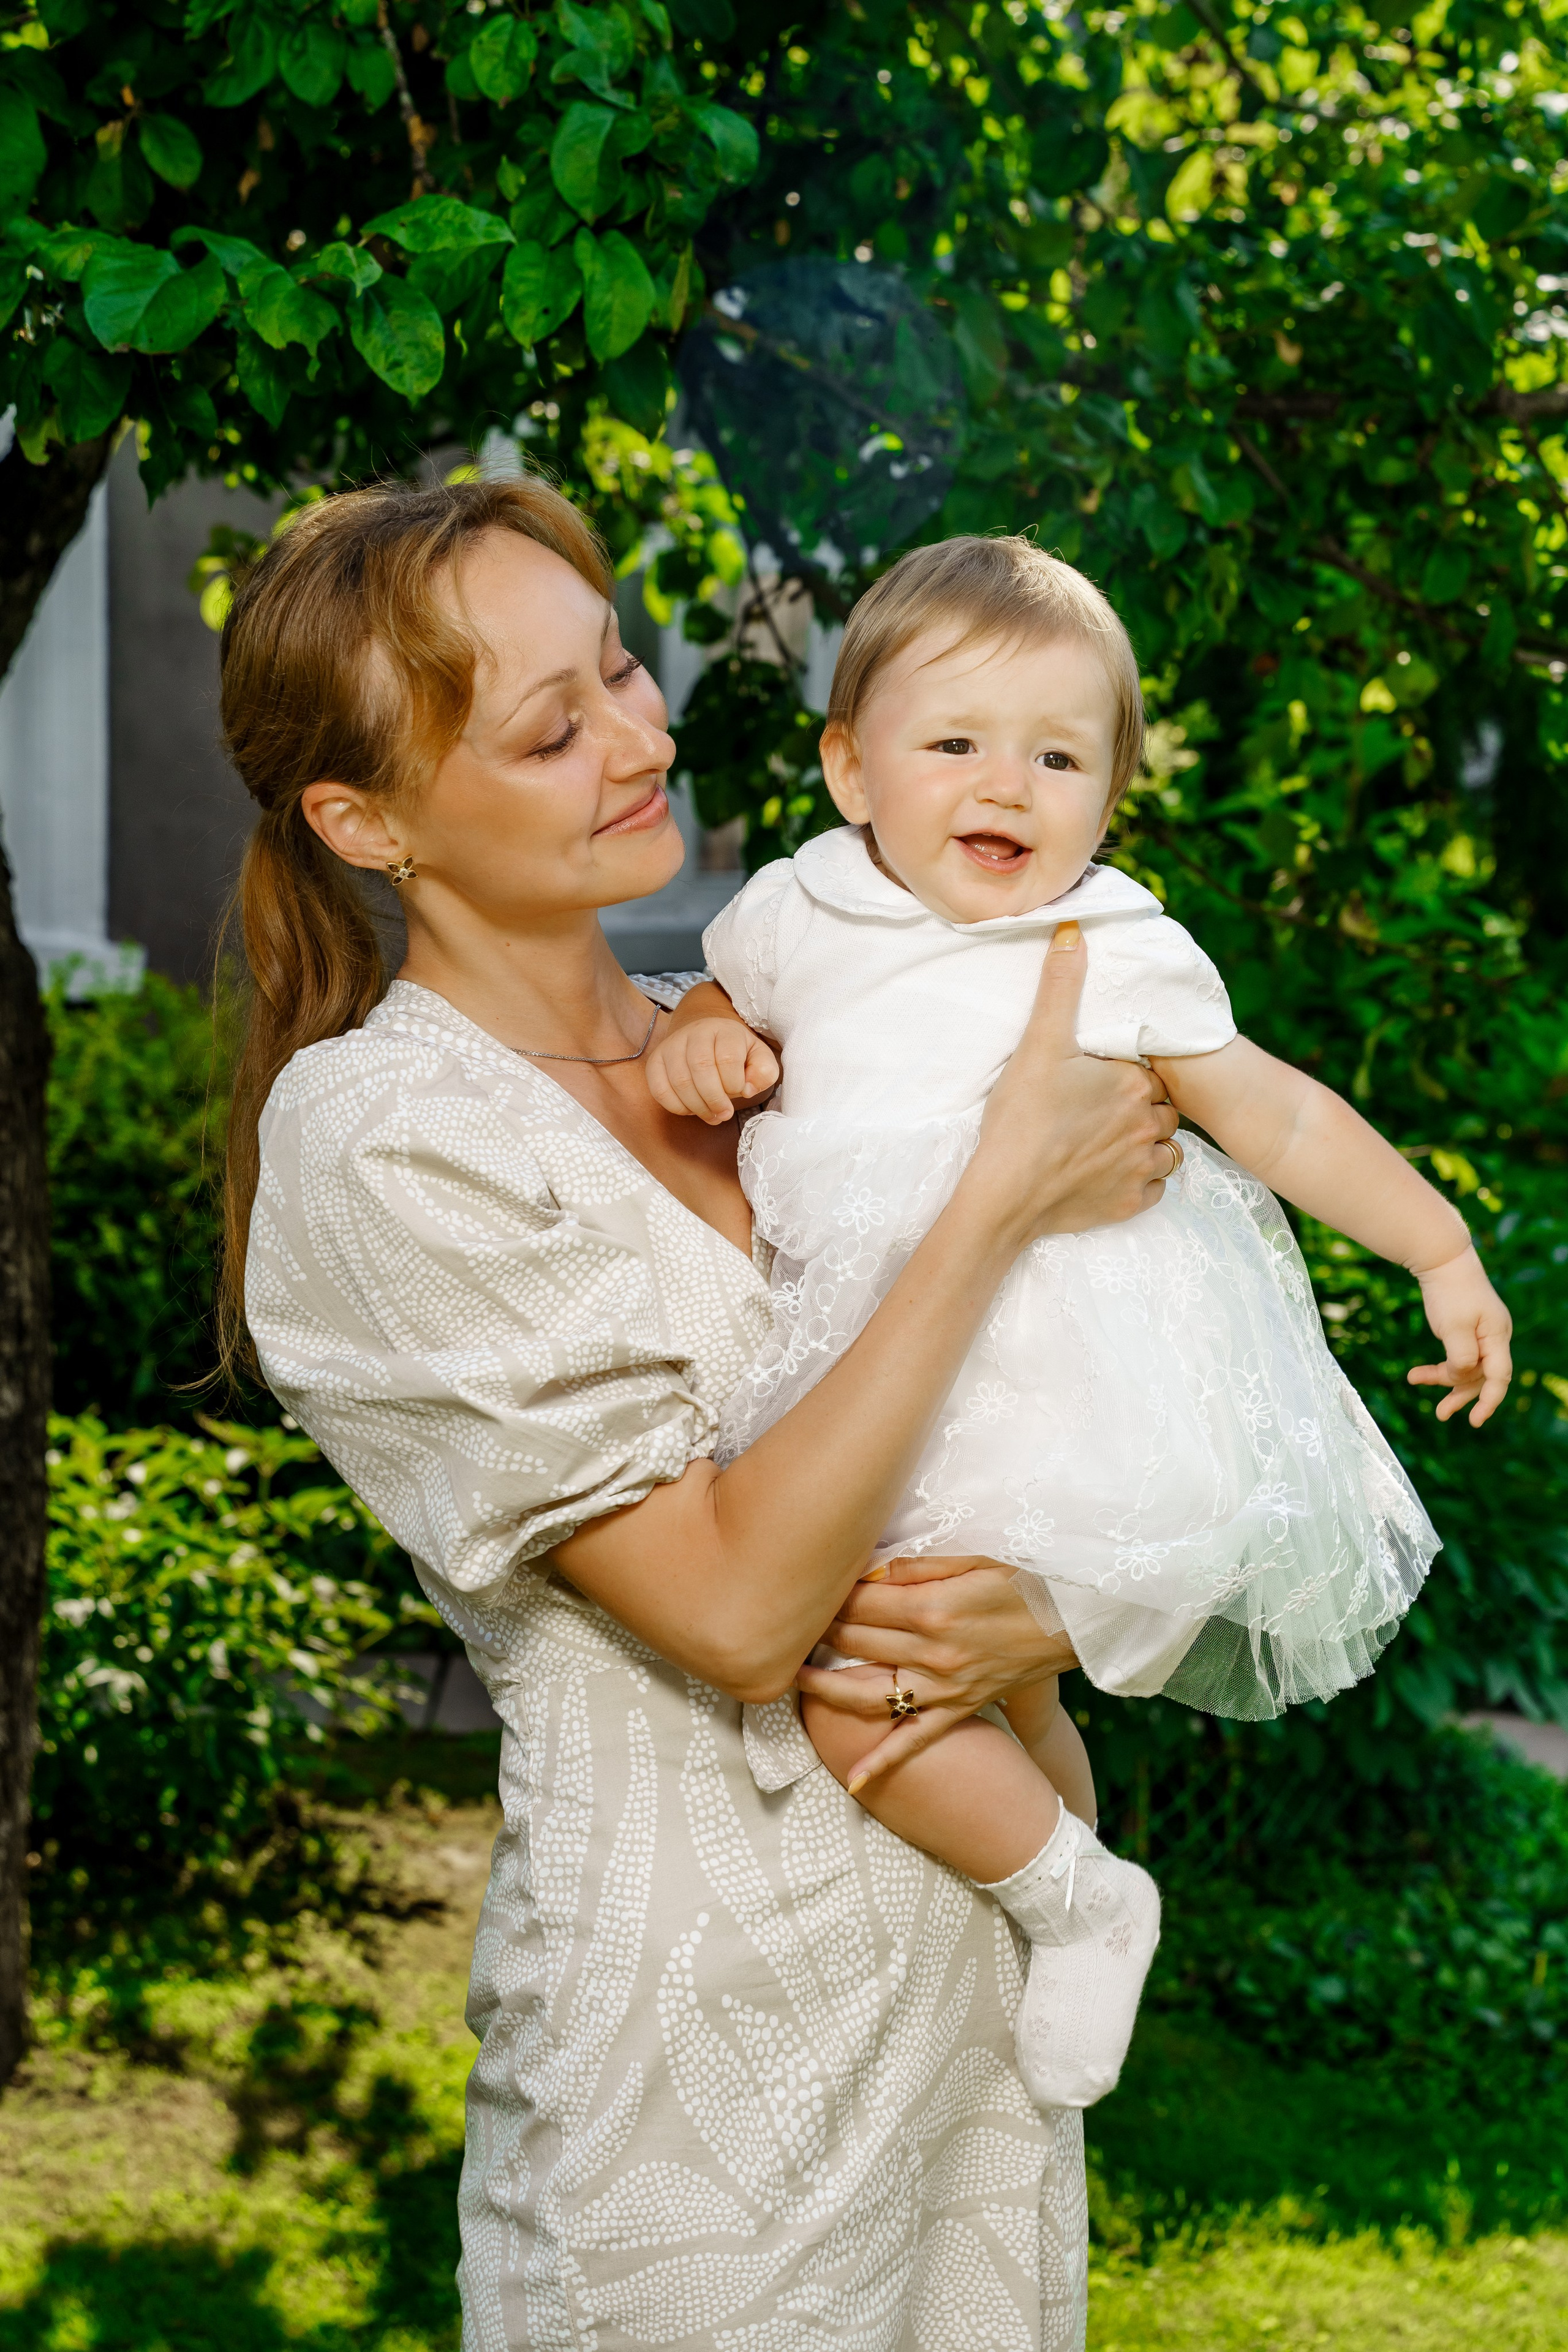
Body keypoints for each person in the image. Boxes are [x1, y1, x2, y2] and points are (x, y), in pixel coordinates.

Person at [217, 477, 1183, 2352]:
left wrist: (1055, 1610)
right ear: (367, 820)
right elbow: (740, 1612)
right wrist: (997, 1192)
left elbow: (1063, 1429)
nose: (643, 739)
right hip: (699, 2091)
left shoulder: (774, 1047)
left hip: (973, 2021)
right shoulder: (385, 1137)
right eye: (550, 726)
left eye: (626, 674)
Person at [646, 532, 1515, 2110]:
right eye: (957, 742)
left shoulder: (1112, 943)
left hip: (1058, 1378)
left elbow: (1287, 1122)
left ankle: (1076, 1901)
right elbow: (720, 1001)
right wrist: (703, 1036)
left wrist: (1440, 1248)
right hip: (878, 1367)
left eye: (1060, 756)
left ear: (1110, 799)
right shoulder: (799, 907)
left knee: (879, 1677)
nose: (1009, 785)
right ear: (852, 769)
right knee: (915, 1675)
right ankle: (1079, 1896)